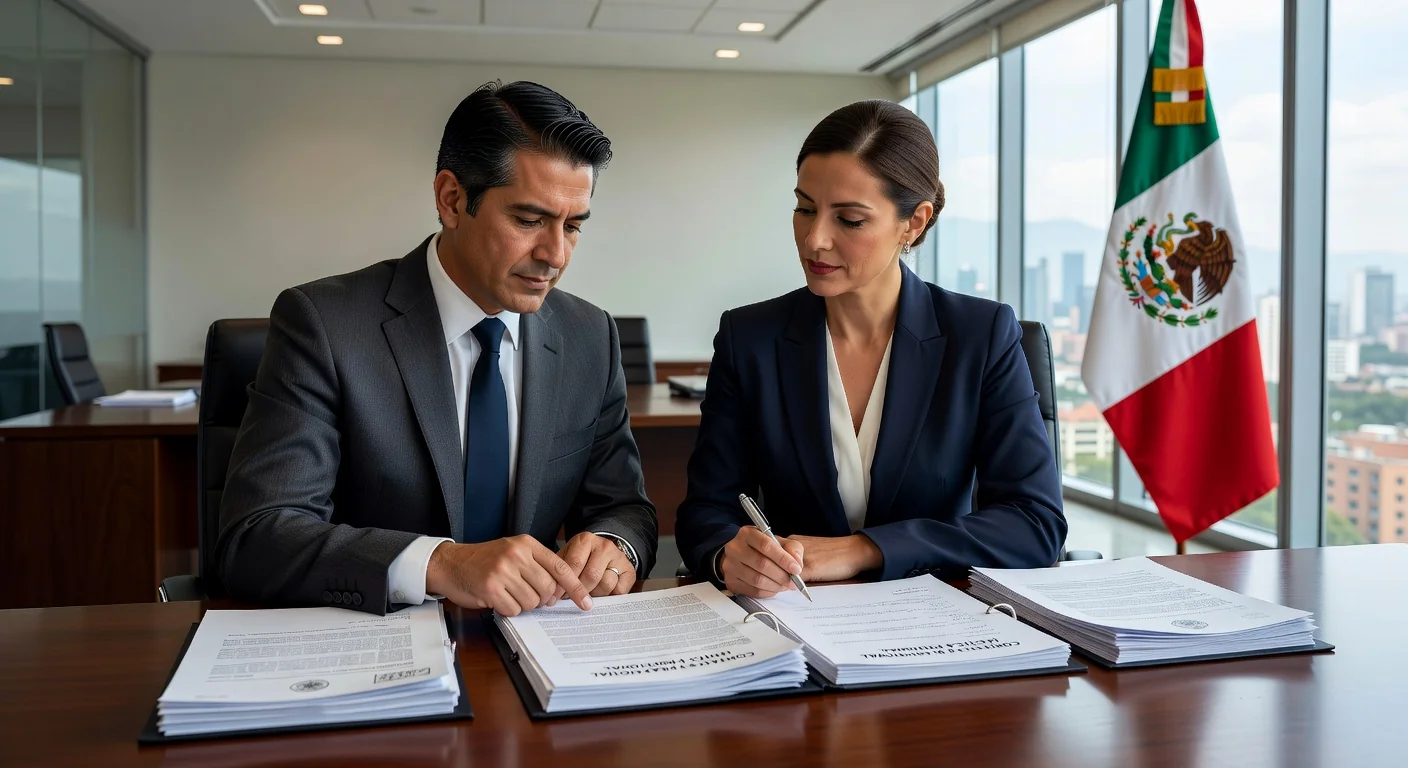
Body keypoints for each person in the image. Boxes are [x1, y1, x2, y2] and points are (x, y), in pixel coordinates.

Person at [218, 81, 657, 616]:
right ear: (451, 200)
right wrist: (442, 564)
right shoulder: (325, 325)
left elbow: (624, 508)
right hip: (373, 647)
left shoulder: (592, 336)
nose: (555, 255)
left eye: (574, 226)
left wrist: (616, 546)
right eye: (528, 220)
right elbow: (258, 535)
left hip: (539, 649)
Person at [676, 100, 1065, 598]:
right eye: (805, 209)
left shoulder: (981, 334)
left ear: (915, 223)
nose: (815, 240)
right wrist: (729, 553)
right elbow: (705, 513)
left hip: (940, 628)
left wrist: (866, 548)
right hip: (795, 623)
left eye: (850, 220)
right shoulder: (750, 337)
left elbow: (1035, 525)